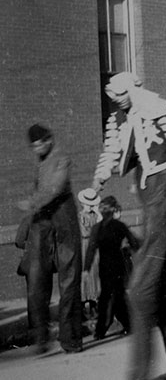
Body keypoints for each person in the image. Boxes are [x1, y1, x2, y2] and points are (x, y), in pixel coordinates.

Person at [92, 72, 166, 380]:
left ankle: (142, 283)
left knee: (149, 266)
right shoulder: (118, 118)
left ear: (134, 87)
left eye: (121, 94)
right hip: (146, 182)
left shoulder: (156, 105)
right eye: (113, 97)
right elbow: (111, 150)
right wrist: (97, 181)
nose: (118, 100)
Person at [17, 124, 83, 354]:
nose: (37, 149)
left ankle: (71, 338)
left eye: (40, 144)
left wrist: (32, 203)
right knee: (36, 282)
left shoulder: (61, 158)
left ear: (49, 140)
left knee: (70, 281)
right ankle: (41, 336)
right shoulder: (41, 165)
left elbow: (55, 188)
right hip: (42, 225)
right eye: (33, 146)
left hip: (64, 222)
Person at [84, 195, 140, 340]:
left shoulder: (97, 228)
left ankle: (101, 330)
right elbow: (134, 242)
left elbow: (91, 249)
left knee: (106, 297)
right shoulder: (119, 226)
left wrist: (86, 268)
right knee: (118, 295)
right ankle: (127, 324)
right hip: (118, 263)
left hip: (104, 265)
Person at [77, 187, 102, 321]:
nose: (90, 207)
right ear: (82, 204)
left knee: (95, 274)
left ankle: (94, 304)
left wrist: (98, 214)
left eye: (92, 204)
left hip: (94, 249)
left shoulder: (95, 216)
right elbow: (85, 232)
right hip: (85, 247)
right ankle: (82, 305)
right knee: (85, 276)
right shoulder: (80, 217)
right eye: (88, 204)